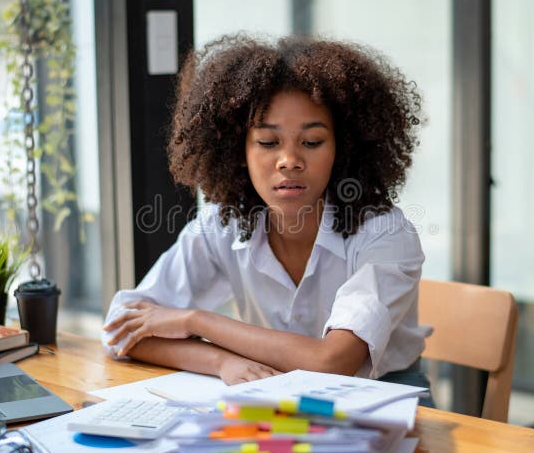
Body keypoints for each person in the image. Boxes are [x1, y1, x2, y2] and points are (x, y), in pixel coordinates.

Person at [102, 34, 433, 393]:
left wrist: (196, 320)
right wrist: (221, 361)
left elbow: (333, 363)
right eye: (268, 142)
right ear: (236, 150)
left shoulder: (384, 233)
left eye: (311, 142)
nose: (289, 160)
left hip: (385, 397)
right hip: (270, 389)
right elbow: (122, 327)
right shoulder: (224, 224)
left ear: (344, 148)